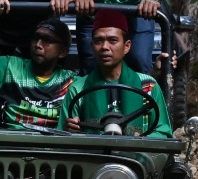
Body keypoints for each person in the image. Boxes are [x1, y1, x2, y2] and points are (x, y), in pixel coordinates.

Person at [58, 10, 172, 138]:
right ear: (92, 47)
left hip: (136, 157)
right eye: (98, 41)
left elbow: (163, 132)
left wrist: (143, 140)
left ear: (127, 46)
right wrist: (69, 131)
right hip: (92, 155)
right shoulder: (78, 89)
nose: (105, 47)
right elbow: (62, 137)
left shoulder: (148, 86)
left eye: (112, 40)